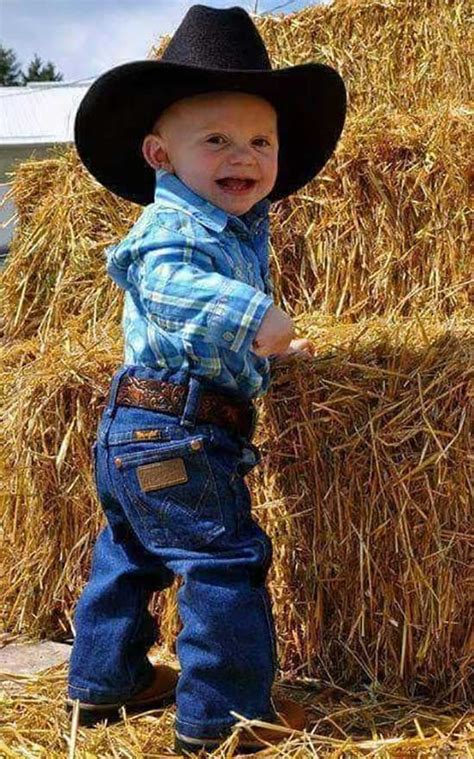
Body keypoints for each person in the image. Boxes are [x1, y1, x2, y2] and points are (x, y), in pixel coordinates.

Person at [67, 4, 346, 755]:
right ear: (161, 155)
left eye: (261, 140)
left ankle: (106, 682)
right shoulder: (172, 230)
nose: (244, 155)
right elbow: (163, 285)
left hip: (144, 423)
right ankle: (224, 719)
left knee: (131, 552)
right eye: (216, 139)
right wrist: (256, 314)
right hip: (179, 430)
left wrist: (271, 352)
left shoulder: (233, 231)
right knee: (225, 560)